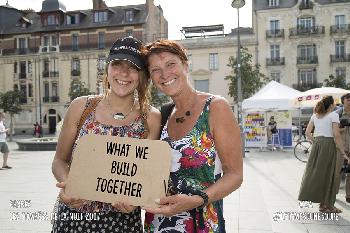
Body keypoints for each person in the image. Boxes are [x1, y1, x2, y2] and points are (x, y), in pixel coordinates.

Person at [51, 36, 160, 232]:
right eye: (117, 64)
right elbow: (59, 160)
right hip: (74, 219)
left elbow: (147, 173)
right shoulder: (81, 107)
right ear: (108, 68)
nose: (124, 73)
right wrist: (68, 185)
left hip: (121, 223)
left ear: (142, 75)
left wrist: (136, 199)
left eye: (133, 67)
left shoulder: (150, 117)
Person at [143, 39, 243, 232]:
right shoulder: (162, 115)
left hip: (201, 222)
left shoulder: (215, 107)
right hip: (159, 222)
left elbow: (235, 175)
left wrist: (197, 200)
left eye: (171, 64)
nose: (164, 74)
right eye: (155, 70)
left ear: (185, 66)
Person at [298, 96, 350, 213]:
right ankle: (328, 206)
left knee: (316, 174)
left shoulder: (315, 116)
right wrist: (343, 152)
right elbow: (336, 135)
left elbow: (307, 132)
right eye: (334, 104)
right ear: (331, 105)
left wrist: (316, 141)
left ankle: (323, 205)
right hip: (328, 146)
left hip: (317, 145)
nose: (336, 106)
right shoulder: (334, 115)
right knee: (329, 175)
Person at [335, 93, 350, 203]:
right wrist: (342, 128)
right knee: (337, 171)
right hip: (340, 147)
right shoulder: (337, 114)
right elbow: (332, 131)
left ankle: (348, 195)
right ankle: (333, 193)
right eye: (348, 99)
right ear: (343, 101)